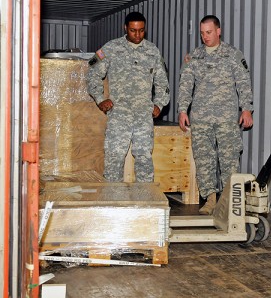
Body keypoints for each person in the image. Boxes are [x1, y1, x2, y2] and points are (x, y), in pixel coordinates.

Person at [178, 15, 254, 215]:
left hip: (226, 117)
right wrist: (182, 110)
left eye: (209, 32)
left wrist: (247, 109)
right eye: (202, 33)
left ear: (218, 31)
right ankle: (210, 198)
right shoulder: (194, 57)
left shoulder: (232, 55)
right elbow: (185, 84)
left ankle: (229, 201)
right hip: (201, 117)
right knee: (204, 159)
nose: (205, 37)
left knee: (229, 159)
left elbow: (243, 83)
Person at [87, 11, 170, 182]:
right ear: (125, 28)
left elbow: (162, 83)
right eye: (133, 30)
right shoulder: (111, 48)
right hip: (119, 113)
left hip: (143, 115)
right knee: (114, 157)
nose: (138, 35)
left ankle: (145, 201)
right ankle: (112, 200)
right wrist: (100, 98)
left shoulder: (152, 51)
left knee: (144, 158)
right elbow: (93, 74)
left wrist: (159, 104)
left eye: (141, 30)